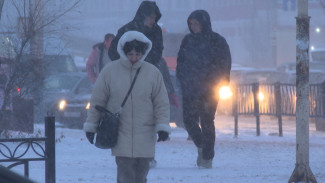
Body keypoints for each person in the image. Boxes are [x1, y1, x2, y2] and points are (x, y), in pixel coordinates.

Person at [83, 31, 171, 183]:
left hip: (145, 131)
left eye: (137, 54)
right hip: (119, 131)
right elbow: (98, 100)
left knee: (141, 173)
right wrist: (91, 126)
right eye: (130, 54)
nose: (134, 58)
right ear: (123, 52)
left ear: (143, 53)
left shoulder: (153, 73)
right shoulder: (110, 71)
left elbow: (161, 103)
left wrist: (162, 126)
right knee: (125, 173)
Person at [108, 0, 178, 167]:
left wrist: (146, 65)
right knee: (128, 118)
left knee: (147, 117)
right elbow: (113, 52)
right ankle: (127, 154)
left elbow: (157, 52)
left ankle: (146, 154)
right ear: (143, 16)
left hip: (148, 78)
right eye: (150, 17)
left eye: (155, 17)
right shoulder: (126, 30)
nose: (153, 21)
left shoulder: (156, 32)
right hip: (127, 78)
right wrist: (128, 63)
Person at [176, 10, 232, 169]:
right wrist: (183, 79)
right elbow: (181, 62)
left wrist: (219, 82)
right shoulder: (187, 40)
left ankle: (207, 157)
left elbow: (224, 63)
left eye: (196, 23)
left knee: (207, 121)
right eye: (191, 24)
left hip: (209, 90)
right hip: (190, 89)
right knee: (188, 120)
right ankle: (201, 145)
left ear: (204, 23)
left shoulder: (217, 41)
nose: (193, 27)